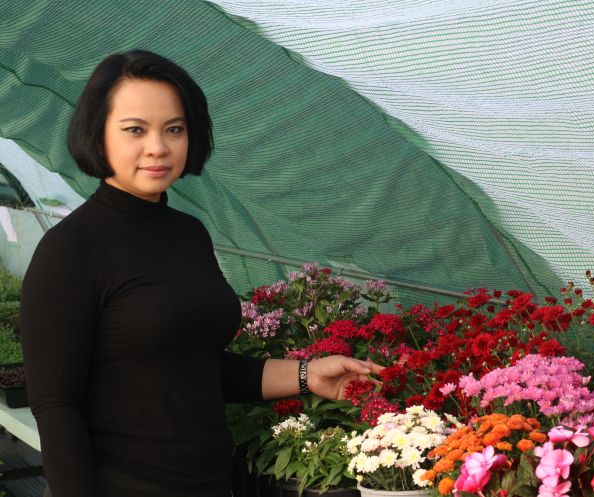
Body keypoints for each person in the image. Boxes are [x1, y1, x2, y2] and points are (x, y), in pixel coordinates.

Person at [19, 49, 383, 497]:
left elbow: (195, 365)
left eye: (174, 129)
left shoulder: (188, 233)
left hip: (210, 481)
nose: (158, 147)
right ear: (98, 137)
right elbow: (56, 404)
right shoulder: (71, 249)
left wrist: (308, 374)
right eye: (135, 130)